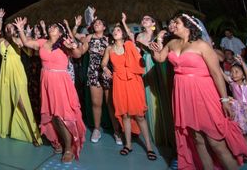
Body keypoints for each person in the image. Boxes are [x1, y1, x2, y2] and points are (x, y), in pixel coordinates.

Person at [150, 13, 247, 170]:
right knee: (197, 139)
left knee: (215, 141)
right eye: (172, 23)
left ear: (188, 26)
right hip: (182, 93)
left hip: (203, 93)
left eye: (176, 23)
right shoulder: (173, 43)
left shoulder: (202, 45)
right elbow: (160, 58)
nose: (172, 25)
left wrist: (224, 100)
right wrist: (157, 44)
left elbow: (216, 73)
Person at [14, 17, 86, 164]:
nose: (51, 28)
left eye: (54, 27)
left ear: (60, 32)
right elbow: (27, 43)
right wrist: (21, 29)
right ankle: (59, 140)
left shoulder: (64, 44)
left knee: (61, 116)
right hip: (46, 80)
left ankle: (68, 148)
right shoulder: (42, 42)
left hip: (60, 82)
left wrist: (72, 46)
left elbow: (78, 54)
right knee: (52, 115)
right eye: (50, 26)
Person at [101, 17, 156, 160]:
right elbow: (103, 63)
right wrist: (105, 68)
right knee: (124, 114)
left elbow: (139, 60)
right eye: (114, 31)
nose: (115, 32)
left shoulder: (129, 45)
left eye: (118, 30)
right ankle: (128, 145)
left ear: (123, 34)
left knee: (139, 115)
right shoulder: (109, 48)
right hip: (118, 81)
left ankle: (149, 147)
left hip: (133, 81)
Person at [0, 11, 42, 146]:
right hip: (5, 74)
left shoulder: (17, 40)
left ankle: (34, 134)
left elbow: (23, 45)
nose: (9, 29)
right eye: (7, 27)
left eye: (12, 27)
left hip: (17, 73)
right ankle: (8, 129)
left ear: (15, 30)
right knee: (6, 101)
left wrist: (19, 31)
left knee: (22, 102)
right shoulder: (0, 40)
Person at [75, 9, 122, 145]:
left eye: (99, 23)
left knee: (110, 103)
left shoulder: (109, 38)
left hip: (107, 72)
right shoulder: (89, 38)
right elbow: (80, 50)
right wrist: (74, 44)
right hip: (93, 72)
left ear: (104, 27)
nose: (97, 24)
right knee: (96, 103)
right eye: (95, 23)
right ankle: (96, 129)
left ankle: (117, 131)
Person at [134, 14, 175, 149]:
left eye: (147, 19)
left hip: (160, 62)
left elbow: (163, 51)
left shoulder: (161, 33)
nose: (143, 20)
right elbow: (138, 51)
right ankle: (157, 134)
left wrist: (158, 38)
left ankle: (170, 134)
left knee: (163, 95)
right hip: (146, 62)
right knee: (150, 96)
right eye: (143, 18)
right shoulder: (139, 36)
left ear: (153, 22)